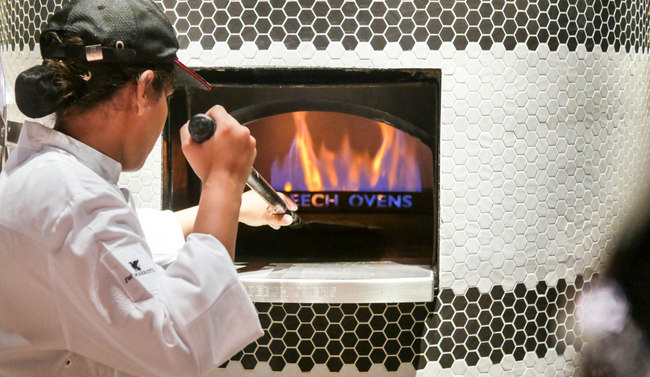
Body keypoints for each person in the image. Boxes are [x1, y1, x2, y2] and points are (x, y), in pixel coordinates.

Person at [0, 0, 296, 376]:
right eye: (168, 96)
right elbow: (183, 347)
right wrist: (223, 181)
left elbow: (110, 246)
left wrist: (231, 208)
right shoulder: (72, 199)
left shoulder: (48, 177)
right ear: (142, 90)